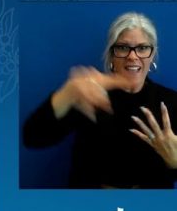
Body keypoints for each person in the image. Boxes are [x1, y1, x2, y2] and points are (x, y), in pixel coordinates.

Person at [23, 12, 177, 188]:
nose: (133, 56)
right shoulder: (89, 94)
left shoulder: (171, 102)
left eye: (142, 48)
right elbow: (33, 138)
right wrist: (68, 92)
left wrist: (175, 161)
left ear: (152, 55)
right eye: (123, 47)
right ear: (111, 55)